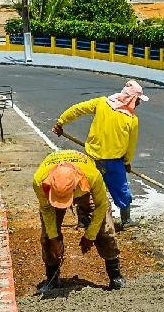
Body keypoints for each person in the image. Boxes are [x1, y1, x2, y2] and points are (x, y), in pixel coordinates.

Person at [52, 80, 149, 228]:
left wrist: (61, 122)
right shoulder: (132, 119)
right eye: (138, 100)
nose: (138, 104)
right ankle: (126, 220)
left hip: (92, 158)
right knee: (121, 190)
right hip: (114, 162)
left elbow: (78, 109)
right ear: (132, 99)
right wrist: (127, 162)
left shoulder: (102, 103)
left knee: (86, 189)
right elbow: (131, 145)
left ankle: (84, 220)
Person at [32, 149, 126, 293]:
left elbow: (102, 205)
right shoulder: (40, 180)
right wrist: (54, 238)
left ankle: (115, 275)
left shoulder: (92, 176)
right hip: (52, 194)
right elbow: (46, 209)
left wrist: (90, 235)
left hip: (85, 191)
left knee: (105, 229)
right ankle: (52, 278)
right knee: (47, 238)